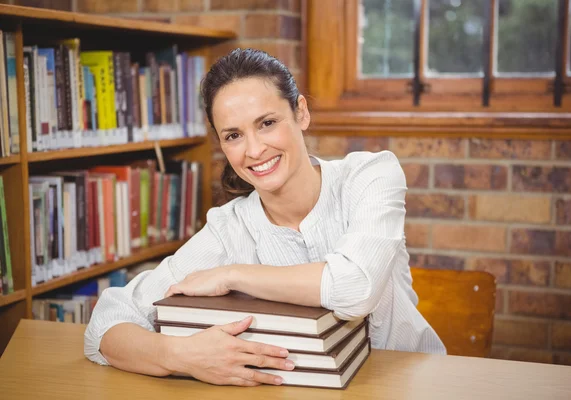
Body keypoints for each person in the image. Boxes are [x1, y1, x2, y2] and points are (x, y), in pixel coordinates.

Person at [84, 48, 446, 386]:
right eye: (234, 135)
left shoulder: (370, 176)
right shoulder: (229, 228)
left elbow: (355, 289)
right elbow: (106, 322)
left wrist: (232, 274)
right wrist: (180, 355)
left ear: (300, 112)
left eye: (268, 122)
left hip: (411, 383)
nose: (254, 150)